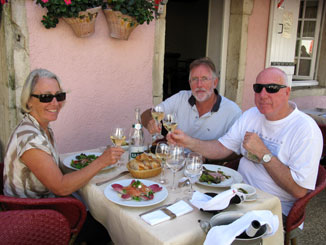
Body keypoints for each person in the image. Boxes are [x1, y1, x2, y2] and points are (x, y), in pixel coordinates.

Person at [168, 67, 323, 217]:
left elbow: (299, 190)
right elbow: (222, 148)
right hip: (235, 194)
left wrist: (264, 154)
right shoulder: (252, 115)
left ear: (287, 92)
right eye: (258, 88)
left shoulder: (305, 130)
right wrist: (187, 141)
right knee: (182, 207)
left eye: (272, 88)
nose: (263, 94)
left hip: (273, 207)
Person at [3, 68, 124, 243]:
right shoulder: (31, 139)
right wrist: (101, 162)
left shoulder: (41, 126)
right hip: (30, 215)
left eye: (59, 96)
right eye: (45, 97)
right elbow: (61, 187)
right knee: (107, 225)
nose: (55, 103)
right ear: (29, 101)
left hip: (40, 204)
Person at [141, 57, 242, 158]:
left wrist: (207, 159)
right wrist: (151, 121)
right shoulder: (181, 98)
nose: (199, 85)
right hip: (176, 162)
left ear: (215, 83)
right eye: (194, 79)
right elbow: (147, 114)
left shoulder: (232, 111)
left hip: (209, 169)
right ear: (190, 83)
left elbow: (235, 151)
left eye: (204, 79)